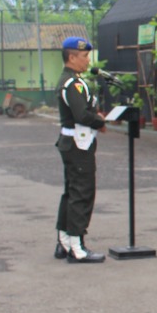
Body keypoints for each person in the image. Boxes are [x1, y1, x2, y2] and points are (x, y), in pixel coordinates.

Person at [54, 36, 106, 264]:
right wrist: (99, 122)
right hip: (78, 143)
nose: (87, 61)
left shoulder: (69, 80)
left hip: (72, 142)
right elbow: (81, 115)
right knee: (82, 193)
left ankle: (64, 241)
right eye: (84, 57)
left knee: (71, 192)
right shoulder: (73, 83)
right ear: (72, 57)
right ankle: (77, 247)